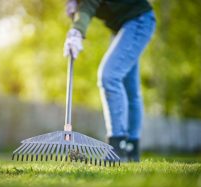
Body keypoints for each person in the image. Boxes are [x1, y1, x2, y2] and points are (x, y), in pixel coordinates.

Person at [64, 0, 156, 162]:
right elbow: (86, 8)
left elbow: (89, 5)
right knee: (130, 89)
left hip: (139, 20)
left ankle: (117, 146)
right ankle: (131, 150)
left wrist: (77, 31)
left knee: (109, 76)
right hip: (123, 28)